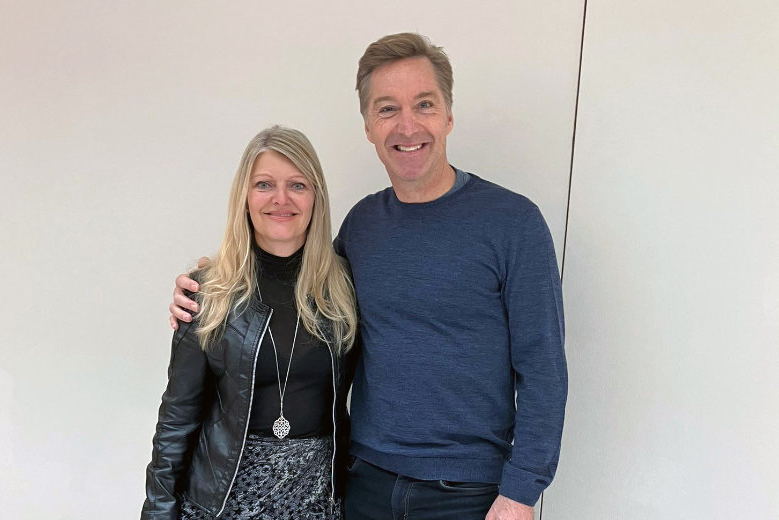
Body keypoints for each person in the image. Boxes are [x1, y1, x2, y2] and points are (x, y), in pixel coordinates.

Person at [171, 33, 567, 520]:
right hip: (363, 483)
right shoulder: (362, 226)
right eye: (387, 109)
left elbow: (544, 370)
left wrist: (522, 492)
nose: (407, 125)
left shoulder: (513, 224)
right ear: (367, 126)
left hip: (469, 492)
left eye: (424, 104)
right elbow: (296, 283)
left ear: (448, 115)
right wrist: (208, 285)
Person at [143, 125, 358, 520]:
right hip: (223, 502)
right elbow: (176, 420)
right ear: (244, 196)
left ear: (316, 196)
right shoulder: (207, 292)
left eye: (297, 185)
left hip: (318, 500)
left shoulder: (346, 286)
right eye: (264, 184)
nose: (281, 199)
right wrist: (158, 512)